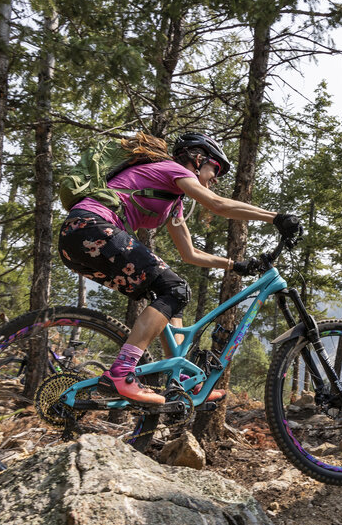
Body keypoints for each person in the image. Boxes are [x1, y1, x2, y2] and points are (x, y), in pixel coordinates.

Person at [58, 132, 303, 405]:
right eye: (216, 168)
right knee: (174, 288)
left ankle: (181, 381)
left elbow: (190, 253)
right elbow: (217, 204)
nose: (216, 177)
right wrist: (276, 218)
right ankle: (122, 372)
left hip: (78, 240)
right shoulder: (171, 169)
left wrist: (234, 265)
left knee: (170, 297)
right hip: (92, 226)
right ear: (197, 159)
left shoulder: (174, 202)